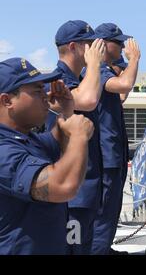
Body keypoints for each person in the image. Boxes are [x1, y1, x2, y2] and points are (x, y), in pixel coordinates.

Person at [0, 57, 94, 254]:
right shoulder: (4, 150)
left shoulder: (27, 139)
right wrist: (78, 135)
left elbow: (58, 138)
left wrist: (67, 111)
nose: (46, 96)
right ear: (7, 100)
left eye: (44, 89)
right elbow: (63, 186)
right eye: (37, 91)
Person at [47, 20, 105, 254]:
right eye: (88, 45)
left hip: (85, 186)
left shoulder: (80, 79)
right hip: (72, 194)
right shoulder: (56, 80)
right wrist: (95, 65)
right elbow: (88, 100)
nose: (94, 50)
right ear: (73, 46)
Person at [88, 23, 140, 255]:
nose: (121, 46)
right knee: (103, 209)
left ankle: (104, 247)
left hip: (113, 153)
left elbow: (121, 95)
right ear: (104, 44)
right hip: (104, 154)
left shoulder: (105, 69)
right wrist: (134, 60)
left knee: (111, 208)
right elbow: (125, 84)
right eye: (117, 43)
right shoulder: (96, 70)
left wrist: (123, 65)